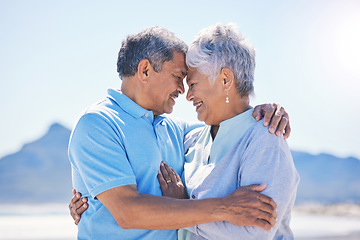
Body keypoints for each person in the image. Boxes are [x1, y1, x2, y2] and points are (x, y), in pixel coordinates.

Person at [68, 26, 290, 239]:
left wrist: (266, 111)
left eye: (190, 82)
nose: (183, 91)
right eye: (178, 76)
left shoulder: (178, 131)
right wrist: (225, 208)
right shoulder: (98, 123)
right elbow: (127, 212)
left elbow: (233, 123)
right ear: (145, 70)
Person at [155, 23, 300, 239]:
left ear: (225, 79)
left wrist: (181, 208)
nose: (188, 95)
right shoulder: (193, 139)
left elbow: (253, 232)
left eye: (193, 84)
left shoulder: (266, 138)